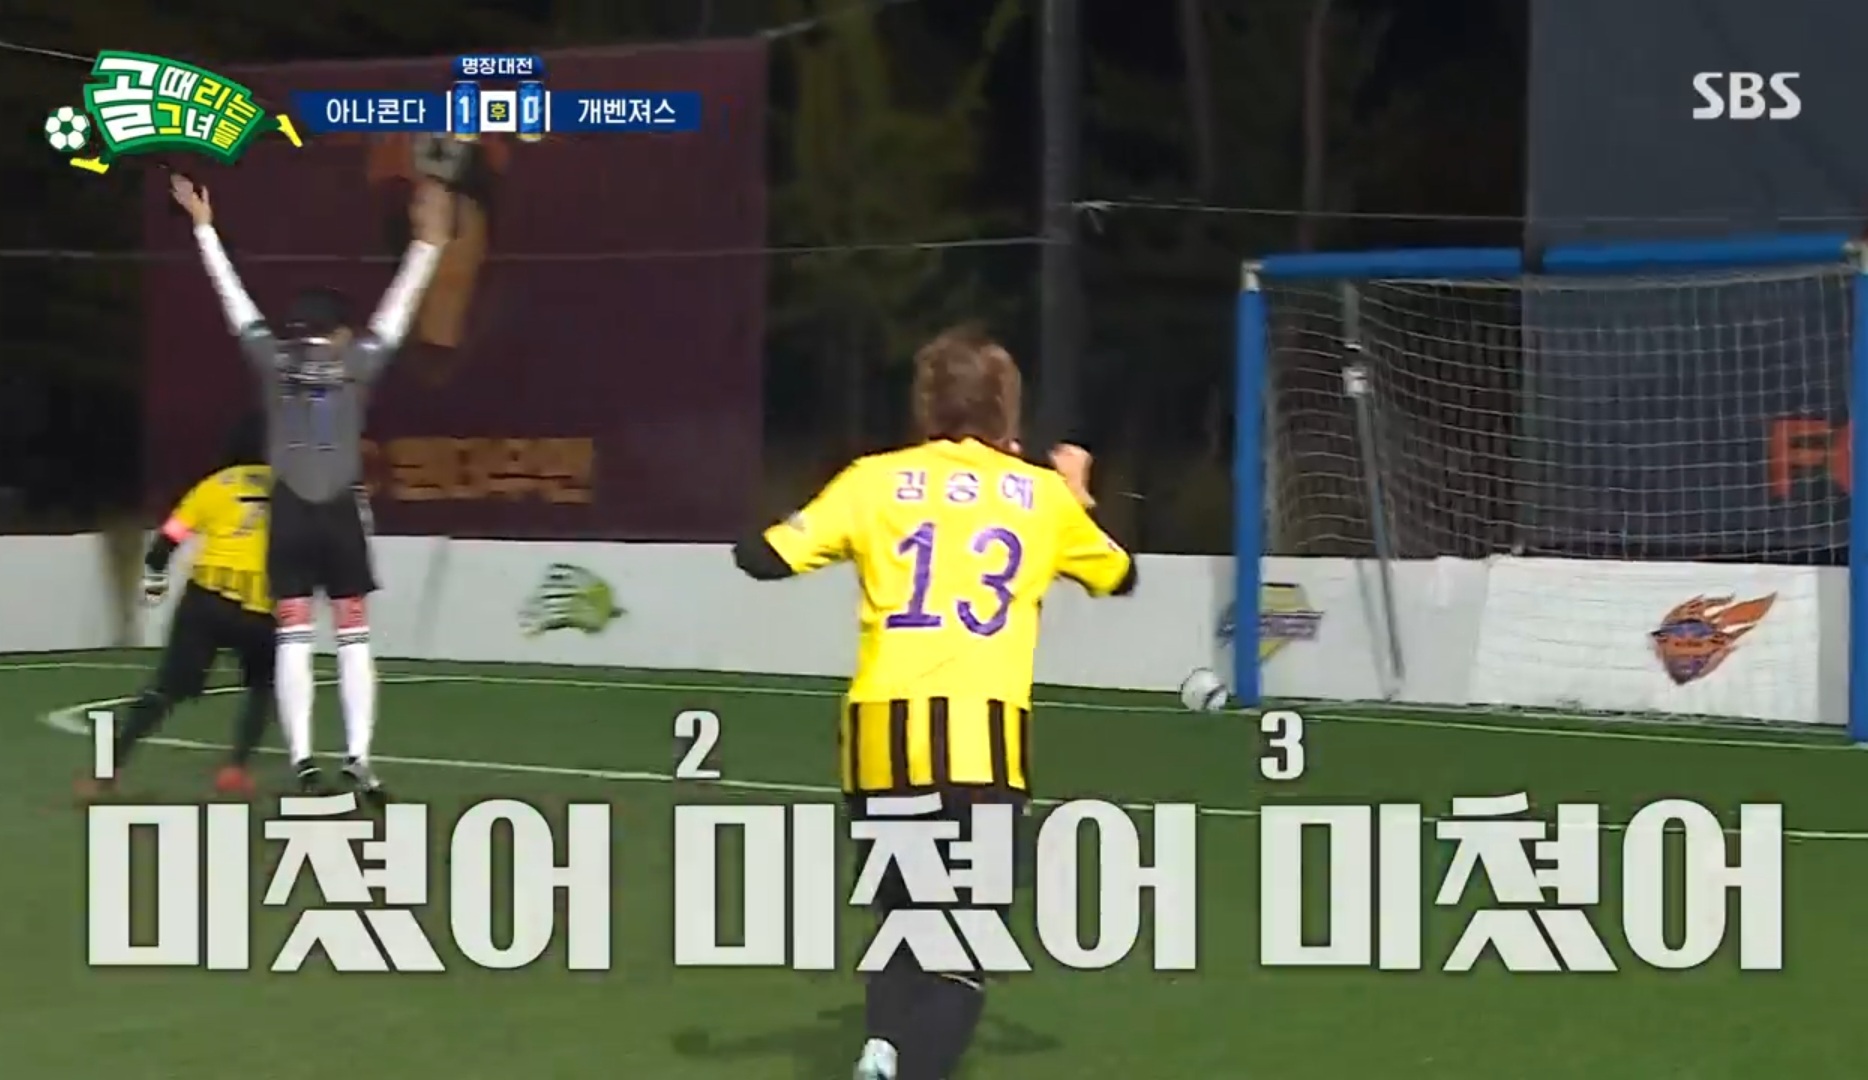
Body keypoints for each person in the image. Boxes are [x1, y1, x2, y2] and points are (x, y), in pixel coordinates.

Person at [730, 323, 1137, 1080]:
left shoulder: (872, 480)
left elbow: (759, 557)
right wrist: (1076, 492)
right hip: (981, 748)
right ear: (1007, 410)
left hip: (880, 744)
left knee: (905, 917)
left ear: (926, 406)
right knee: (965, 942)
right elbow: (1119, 575)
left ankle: (881, 1048)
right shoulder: (1041, 497)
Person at [171, 172, 452, 801]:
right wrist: (428, 246)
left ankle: (302, 760)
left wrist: (204, 229)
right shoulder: (356, 363)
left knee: (294, 638)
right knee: (353, 638)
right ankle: (359, 760)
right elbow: (399, 308)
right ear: (339, 330)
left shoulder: (273, 361)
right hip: (339, 512)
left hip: (291, 513)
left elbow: (235, 302)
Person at [79, 413, 275, 798]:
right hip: (260, 609)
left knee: (165, 688)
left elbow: (165, 543)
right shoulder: (292, 491)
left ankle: (106, 772)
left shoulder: (213, 487)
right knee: (263, 686)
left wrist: (155, 582)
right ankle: (235, 768)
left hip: (207, 601)